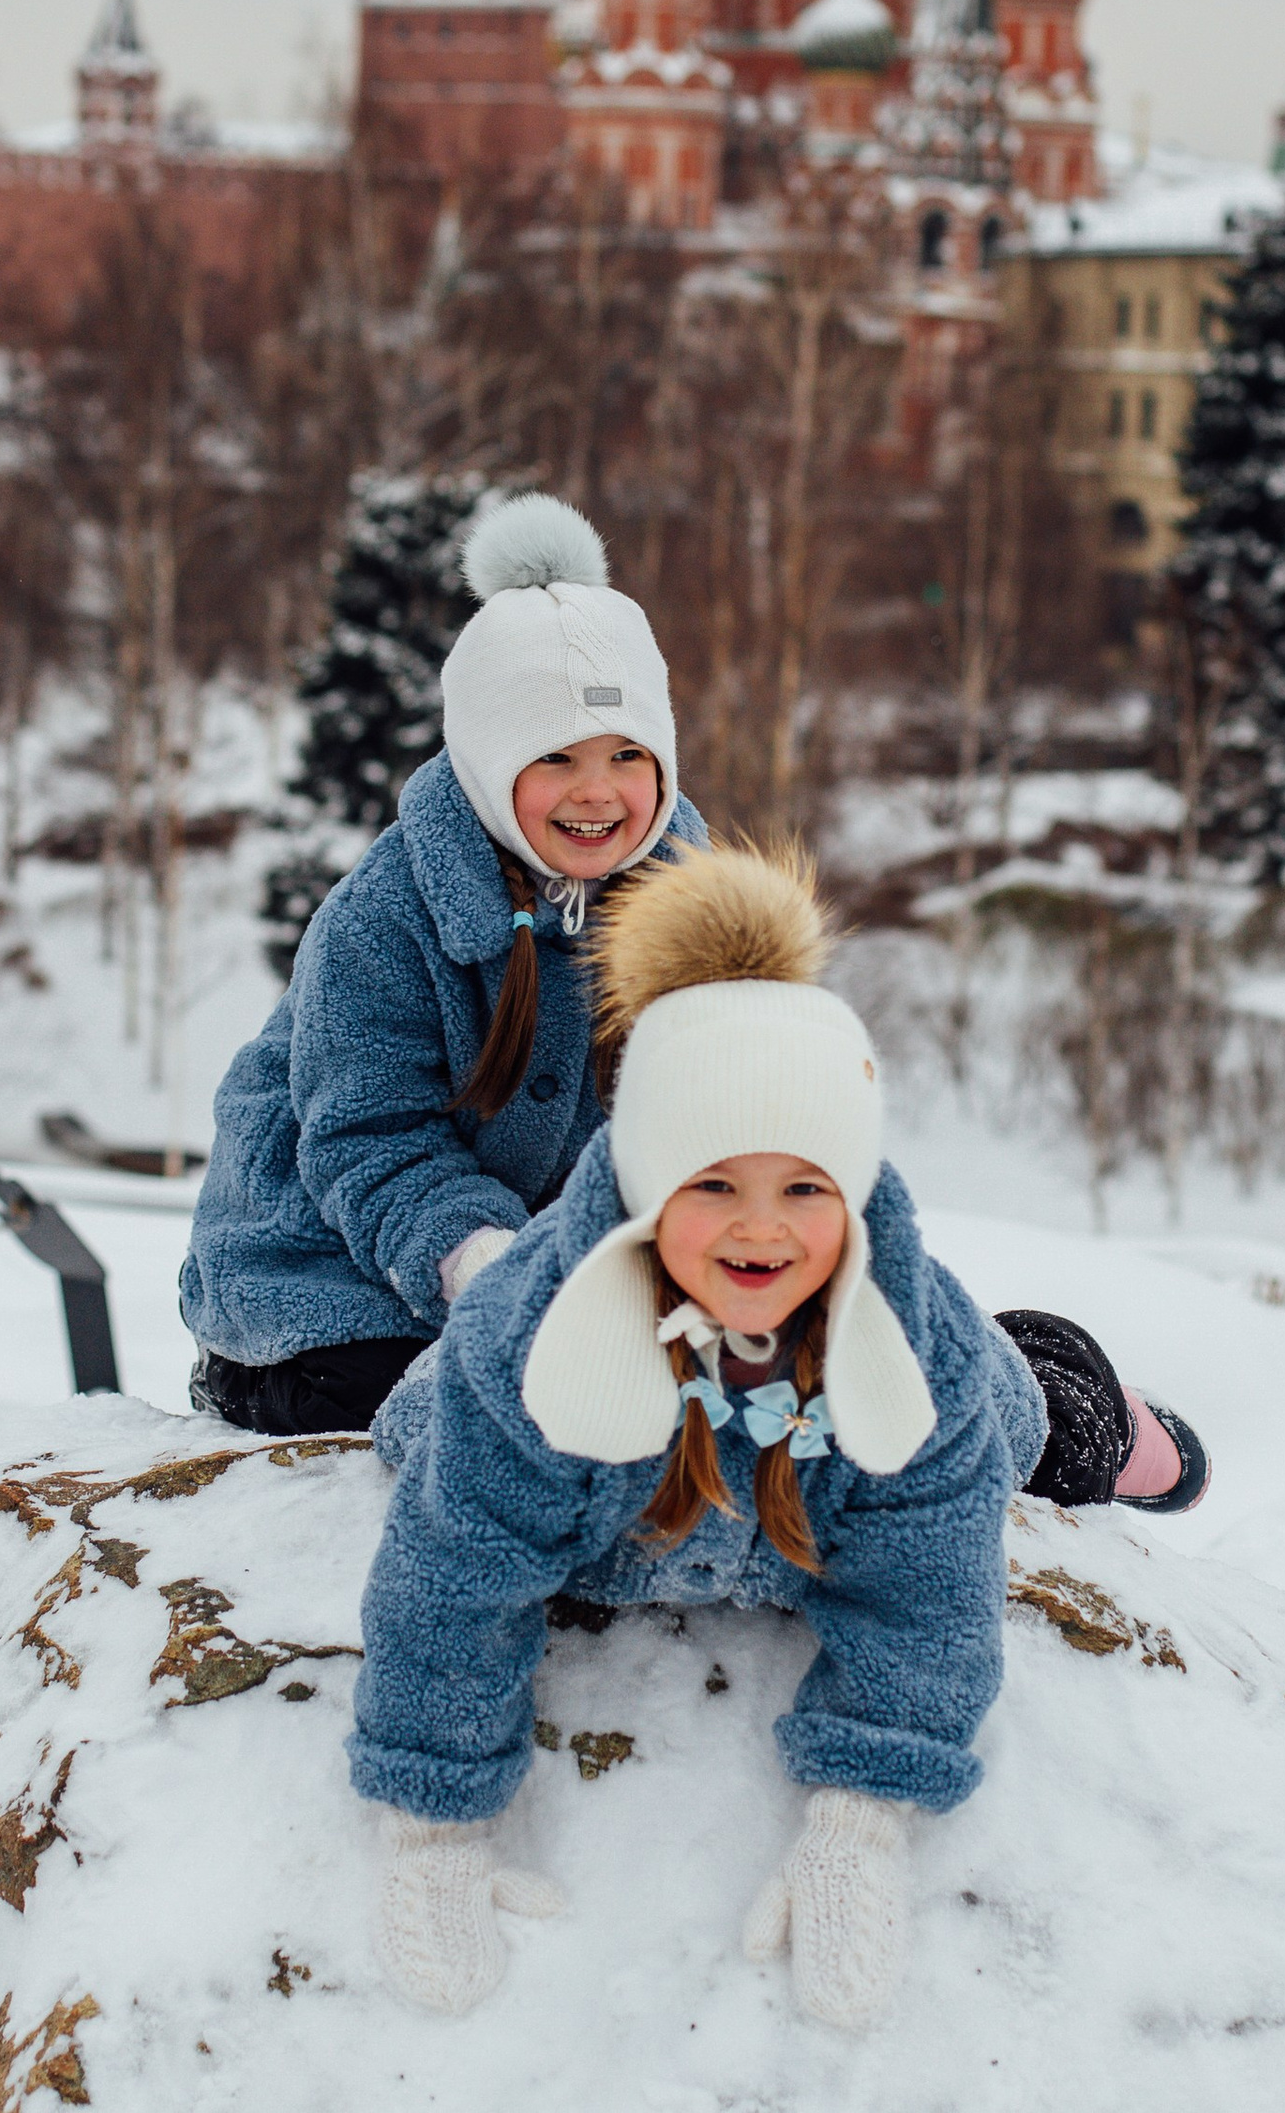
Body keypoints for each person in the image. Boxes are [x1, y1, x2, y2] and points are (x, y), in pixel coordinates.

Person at [348, 844, 1207, 2030]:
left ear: (851, 1192)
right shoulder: (526, 1343)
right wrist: (434, 1821)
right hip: (540, 1358)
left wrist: (861, 1817)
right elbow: (453, 1576)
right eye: (712, 1186)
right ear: (647, 1185)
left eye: (805, 1187)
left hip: (975, 1383)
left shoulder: (924, 1358)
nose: (760, 1231)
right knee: (425, 1419)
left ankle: (1094, 1398)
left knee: (1038, 1429)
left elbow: (926, 1596)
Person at [179, 493, 700, 1435]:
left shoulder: (695, 906)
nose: (598, 792)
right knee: (451, 1395)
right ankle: (250, 1374)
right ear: (491, 763)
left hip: (562, 1276)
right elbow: (370, 1135)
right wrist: (486, 1265)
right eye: (556, 758)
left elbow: (733, 1110)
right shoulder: (383, 920)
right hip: (330, 1269)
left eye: (629, 753)